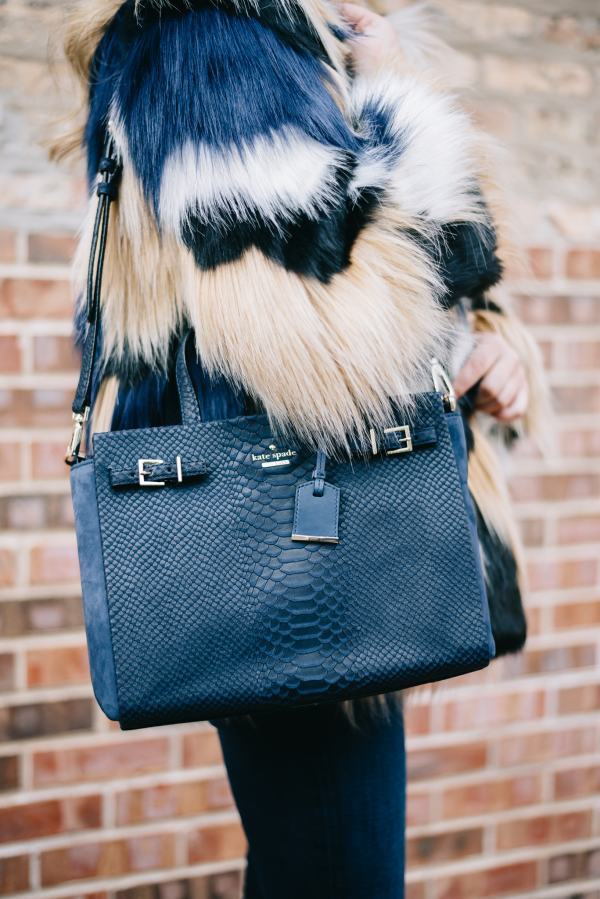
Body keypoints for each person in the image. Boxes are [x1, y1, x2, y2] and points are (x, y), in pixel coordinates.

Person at [52, 1, 545, 895]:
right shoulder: (210, 44)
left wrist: (487, 343)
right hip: (294, 562)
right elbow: (328, 349)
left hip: (313, 543)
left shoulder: (254, 37)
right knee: (335, 873)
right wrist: (398, 94)